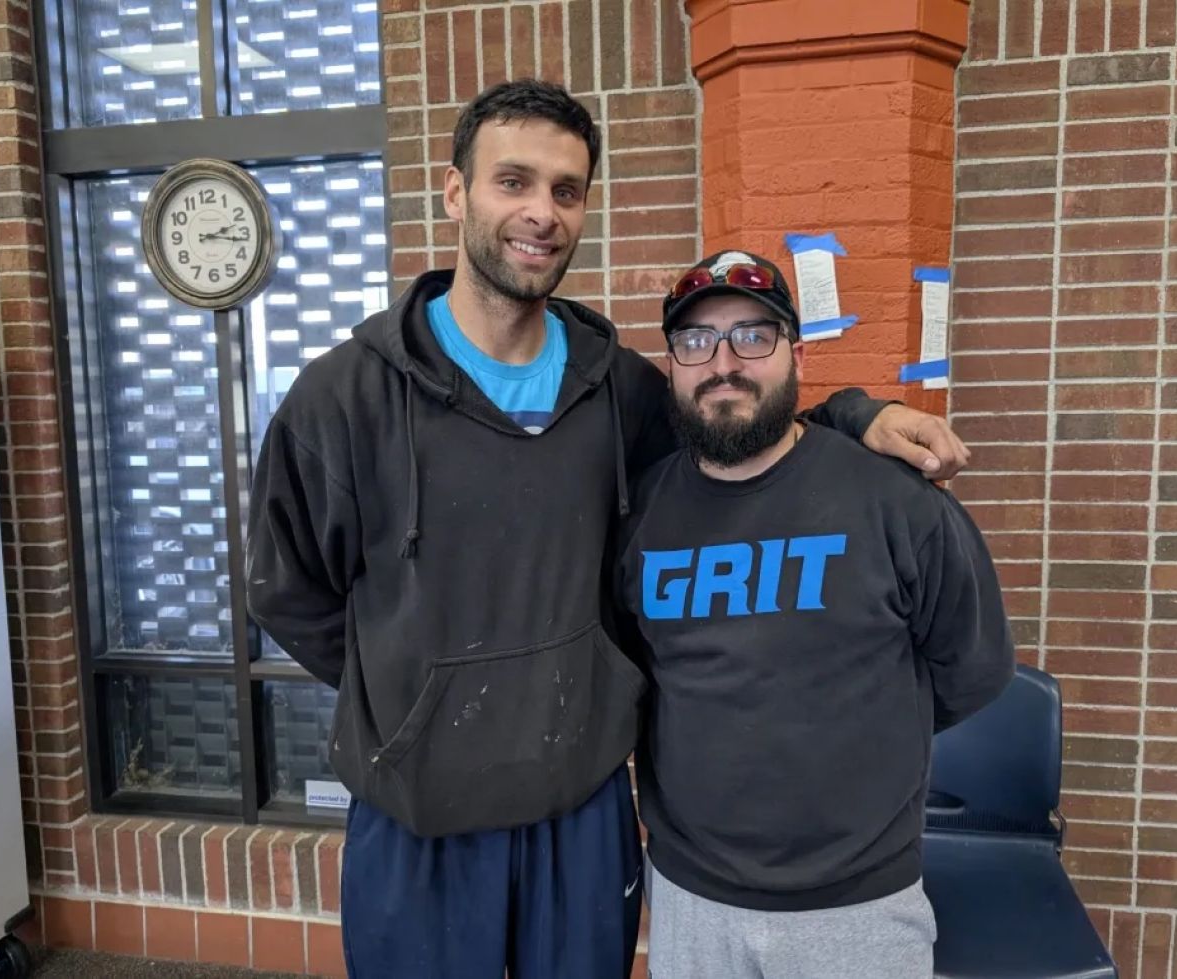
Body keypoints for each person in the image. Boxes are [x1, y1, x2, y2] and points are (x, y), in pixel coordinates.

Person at [245, 80, 972, 979]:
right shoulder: (343, 399)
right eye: (512, 181)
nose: (539, 213)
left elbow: (737, 427)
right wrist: (406, 695)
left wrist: (856, 412)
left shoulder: (619, 391)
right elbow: (288, 587)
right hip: (417, 815)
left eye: (565, 189)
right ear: (454, 192)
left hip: (577, 812)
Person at [614, 250, 1016, 979]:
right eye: (696, 341)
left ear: (796, 354)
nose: (724, 362)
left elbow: (971, 667)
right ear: (672, 364)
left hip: (859, 907)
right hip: (693, 897)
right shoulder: (641, 514)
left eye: (753, 336)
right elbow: (639, 673)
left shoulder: (895, 502)